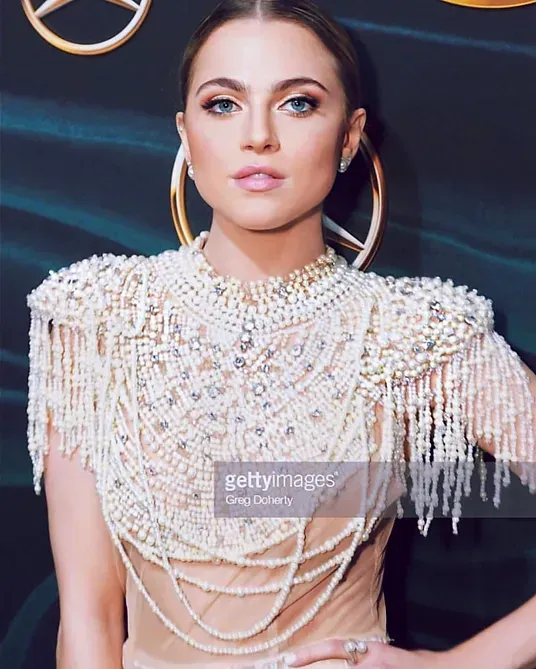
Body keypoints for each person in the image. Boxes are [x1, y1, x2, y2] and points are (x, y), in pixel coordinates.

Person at [25, 1, 536, 668]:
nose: (258, 135)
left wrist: (460, 664)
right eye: (222, 104)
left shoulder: (413, 333)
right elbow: (89, 616)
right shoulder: (96, 318)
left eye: (298, 104)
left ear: (349, 136)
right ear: (185, 130)